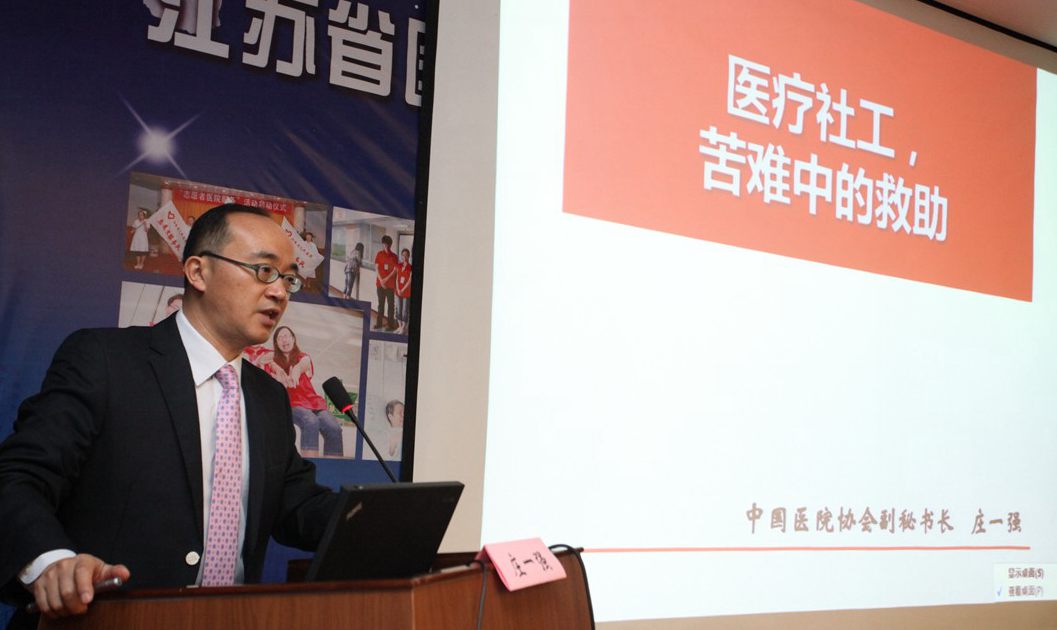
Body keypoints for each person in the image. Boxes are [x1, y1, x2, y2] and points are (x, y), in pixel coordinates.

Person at [0, 204, 337, 628]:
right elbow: (17, 478)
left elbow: (296, 506)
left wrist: (386, 521)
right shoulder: (105, 361)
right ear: (198, 272)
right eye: (264, 271)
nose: (280, 292)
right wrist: (51, 563)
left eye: (289, 279)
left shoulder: (268, 395)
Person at [264, 326, 344, 458]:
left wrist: (296, 370)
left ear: (293, 339)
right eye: (280, 338)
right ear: (276, 343)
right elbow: (264, 366)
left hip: (315, 403)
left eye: (287, 336)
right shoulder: (271, 363)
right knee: (310, 421)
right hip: (293, 404)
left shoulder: (303, 357)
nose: (284, 340)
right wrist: (278, 378)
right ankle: (311, 465)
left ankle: (333, 468)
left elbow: (304, 363)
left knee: (334, 428)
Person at [374, 235, 398, 331]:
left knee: (391, 305)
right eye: (384, 244)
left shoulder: (394, 256)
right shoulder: (379, 254)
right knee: (381, 305)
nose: (386, 246)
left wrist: (385, 280)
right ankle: (379, 324)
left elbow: (395, 270)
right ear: (383, 244)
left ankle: (390, 325)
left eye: (388, 244)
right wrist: (381, 280)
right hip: (380, 285)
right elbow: (376, 268)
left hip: (390, 285)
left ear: (390, 245)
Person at [395, 248, 412, 335]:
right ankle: (399, 326)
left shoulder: (411, 267)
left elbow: (409, 281)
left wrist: (402, 289)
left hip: (406, 292)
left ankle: (403, 328)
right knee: (398, 309)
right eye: (403, 255)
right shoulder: (399, 265)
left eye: (406, 255)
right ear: (401, 256)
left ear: (409, 256)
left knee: (405, 310)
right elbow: (397, 278)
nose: (404, 257)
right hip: (398, 291)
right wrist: (398, 289)